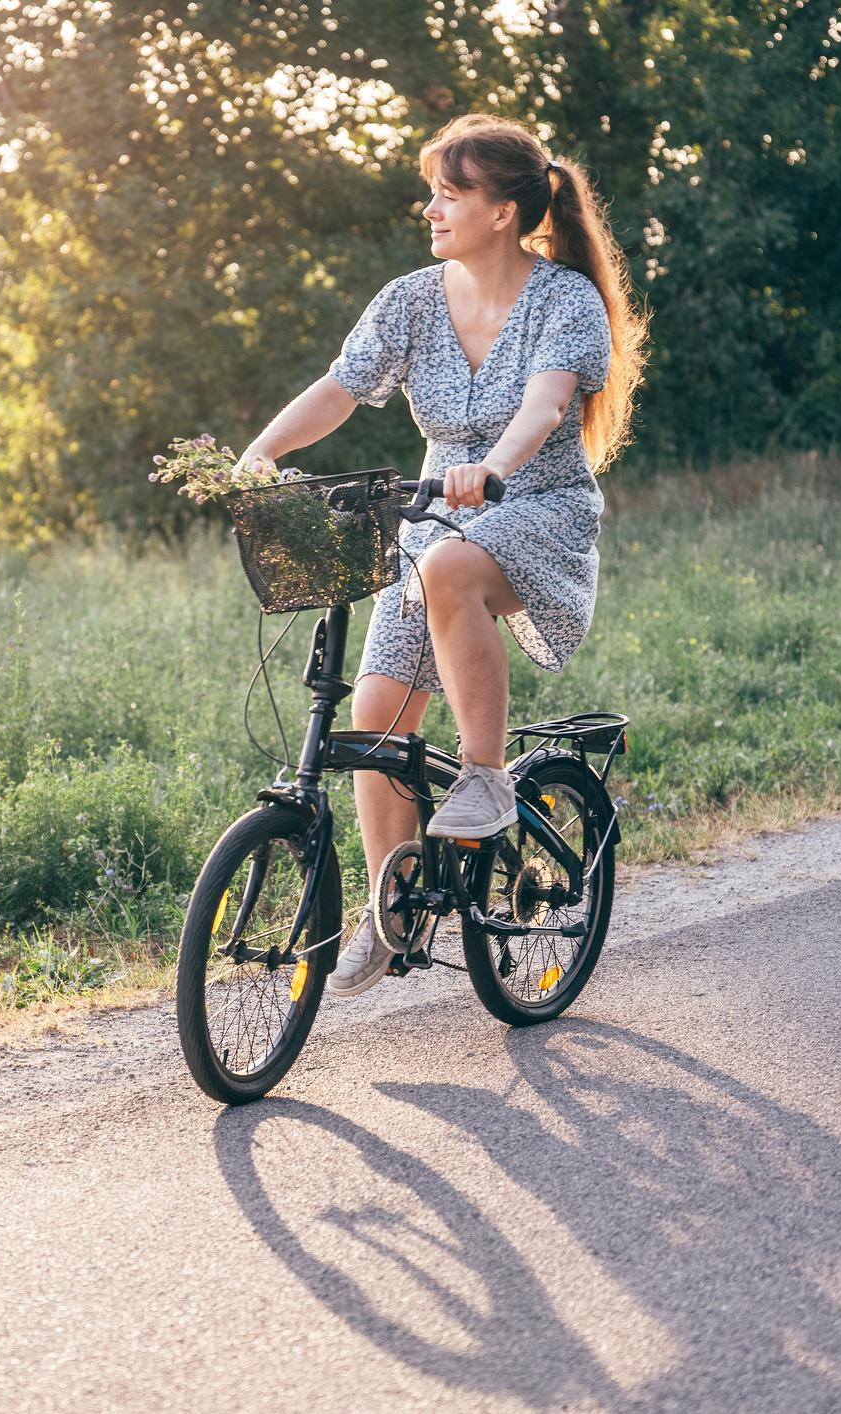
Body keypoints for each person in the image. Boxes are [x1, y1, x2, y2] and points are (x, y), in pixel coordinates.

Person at [235, 113, 648, 996]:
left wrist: (491, 470)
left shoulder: (562, 298)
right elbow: (340, 388)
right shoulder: (412, 300)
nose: (430, 208)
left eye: (449, 194)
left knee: (451, 570)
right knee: (377, 719)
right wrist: (257, 457)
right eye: (434, 192)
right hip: (430, 522)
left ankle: (486, 777)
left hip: (536, 508)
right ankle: (391, 910)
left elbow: (543, 407)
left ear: (502, 212)